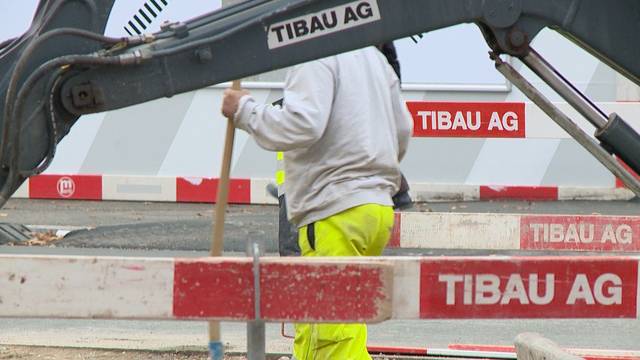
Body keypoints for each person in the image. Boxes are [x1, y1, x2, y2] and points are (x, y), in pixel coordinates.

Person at [221, 45, 412, 360]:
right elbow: (402, 128)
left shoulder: (316, 53)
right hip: (374, 210)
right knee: (329, 322)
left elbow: (302, 124)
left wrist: (245, 110)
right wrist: (377, 177)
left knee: (331, 337)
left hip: (334, 210)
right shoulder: (372, 57)